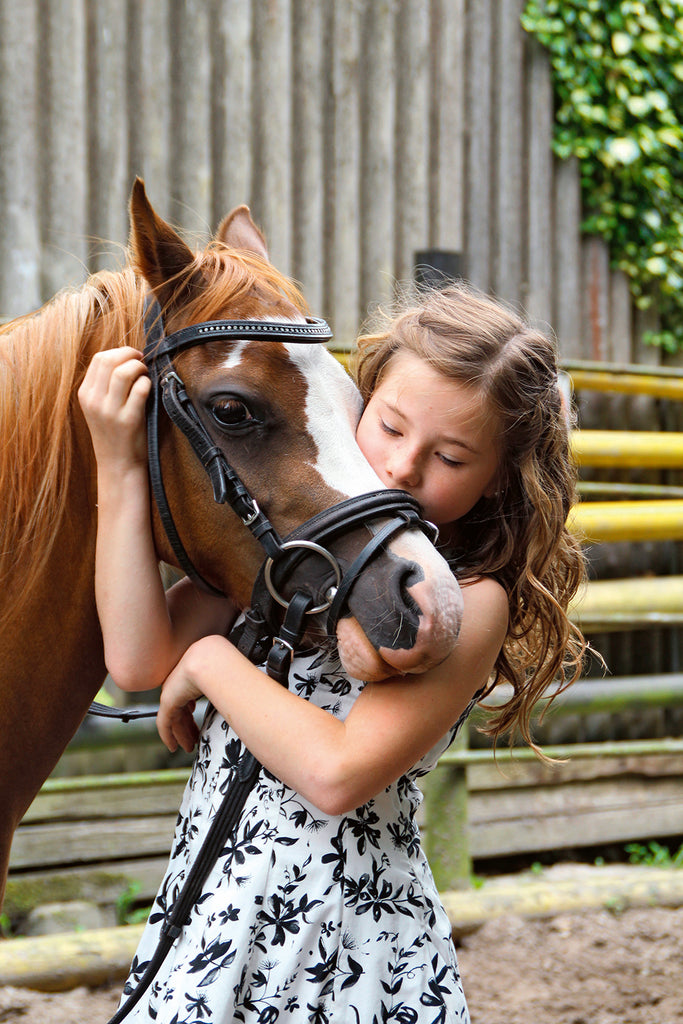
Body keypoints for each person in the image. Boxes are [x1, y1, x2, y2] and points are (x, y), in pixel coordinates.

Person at [78, 281, 587, 1024]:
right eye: (388, 426)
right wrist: (118, 466)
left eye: (448, 456)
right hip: (216, 915)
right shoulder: (289, 552)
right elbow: (136, 660)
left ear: (497, 478)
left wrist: (211, 665)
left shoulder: (471, 598)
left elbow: (337, 773)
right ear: (355, 399)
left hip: (346, 943)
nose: (403, 467)